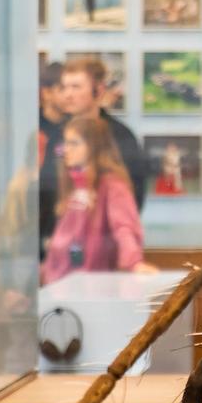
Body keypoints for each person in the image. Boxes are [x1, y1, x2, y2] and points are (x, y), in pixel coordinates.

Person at [41, 116, 156, 284]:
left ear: (94, 146)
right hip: (59, 281)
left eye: (74, 143)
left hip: (90, 284)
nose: (66, 150)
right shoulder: (72, 184)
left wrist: (134, 262)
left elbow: (124, 226)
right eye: (65, 143)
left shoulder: (112, 185)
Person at [58, 57, 149, 210]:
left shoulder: (120, 136)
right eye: (64, 87)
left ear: (99, 90)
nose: (68, 94)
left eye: (76, 87)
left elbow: (134, 194)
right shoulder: (56, 132)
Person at [36, 60, 69, 259]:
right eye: (62, 88)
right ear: (46, 92)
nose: (68, 95)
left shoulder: (74, 129)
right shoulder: (31, 126)